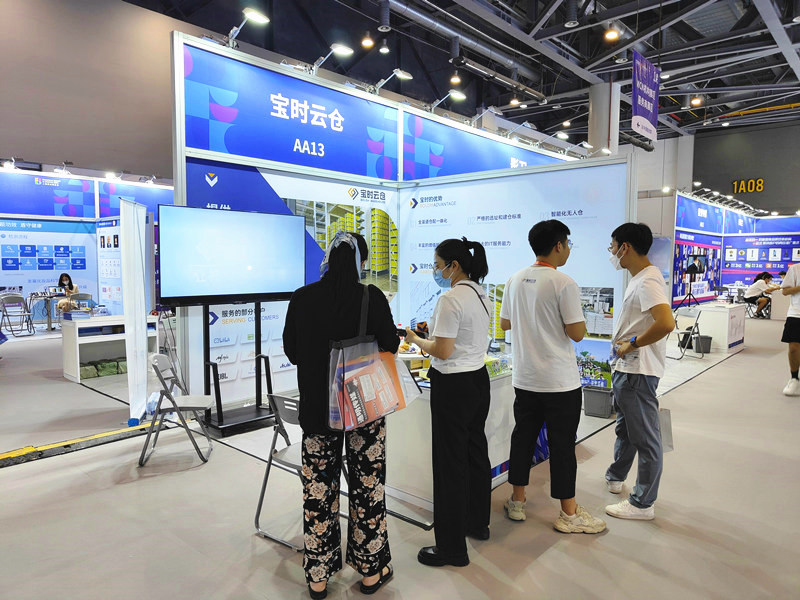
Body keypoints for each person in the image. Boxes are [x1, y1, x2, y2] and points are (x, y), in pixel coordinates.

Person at [283, 231, 399, 599]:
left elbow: (292, 352)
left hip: (317, 412)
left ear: (329, 260)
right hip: (363, 409)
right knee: (368, 489)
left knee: (318, 492)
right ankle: (370, 572)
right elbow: (392, 343)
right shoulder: (371, 297)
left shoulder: (302, 298)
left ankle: (318, 578)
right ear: (361, 262)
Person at [499, 220, 606, 534]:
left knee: (522, 439)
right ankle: (569, 514)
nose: (569, 249)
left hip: (525, 378)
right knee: (562, 447)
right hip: (559, 382)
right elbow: (577, 333)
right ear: (558, 245)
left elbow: (505, 323)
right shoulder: (564, 283)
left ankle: (517, 501)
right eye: (568, 243)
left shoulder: (514, 279)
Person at [404, 237, 492, 568]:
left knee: (449, 464)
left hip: (452, 385)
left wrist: (415, 339)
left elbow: (442, 350)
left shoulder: (451, 298)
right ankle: (477, 523)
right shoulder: (481, 294)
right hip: (477, 380)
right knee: (475, 453)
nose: (435, 271)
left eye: (437, 265)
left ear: (454, 266)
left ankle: (451, 548)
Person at [604, 223, 675, 521]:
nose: (611, 253)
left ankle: (642, 503)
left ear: (626, 247)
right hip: (628, 369)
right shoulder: (641, 278)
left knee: (645, 437)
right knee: (627, 429)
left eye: (613, 247)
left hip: (637, 371)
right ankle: (616, 475)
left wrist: (632, 343)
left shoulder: (647, 281)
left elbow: (666, 323)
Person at [780, 263, 800, 396]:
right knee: (793, 348)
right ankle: (794, 378)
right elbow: (785, 291)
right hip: (796, 313)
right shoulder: (795, 269)